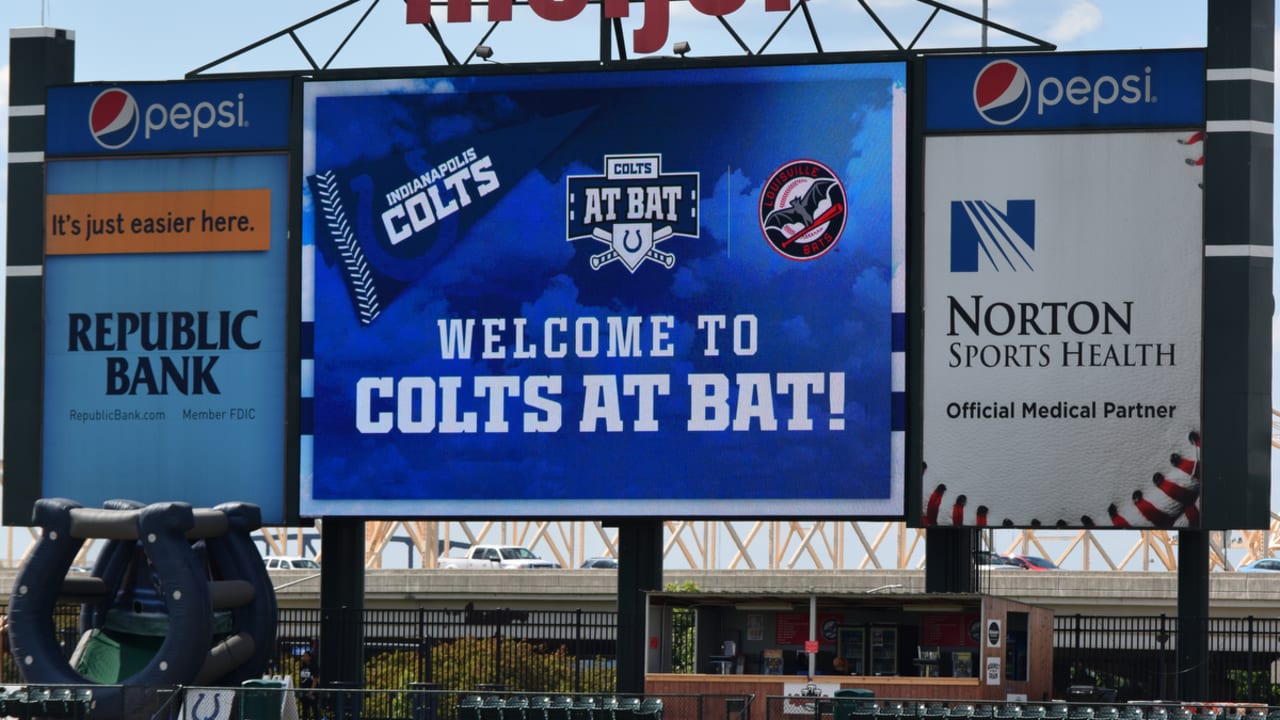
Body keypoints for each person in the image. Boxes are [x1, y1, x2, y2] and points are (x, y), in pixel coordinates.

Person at [298, 650, 320, 720]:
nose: (304, 657)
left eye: (305, 656)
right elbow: (302, 679)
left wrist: (311, 691)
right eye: (303, 656)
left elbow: (315, 680)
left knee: (314, 709)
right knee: (305, 710)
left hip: (312, 692)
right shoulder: (303, 666)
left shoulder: (314, 667)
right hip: (304, 690)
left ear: (310, 657)